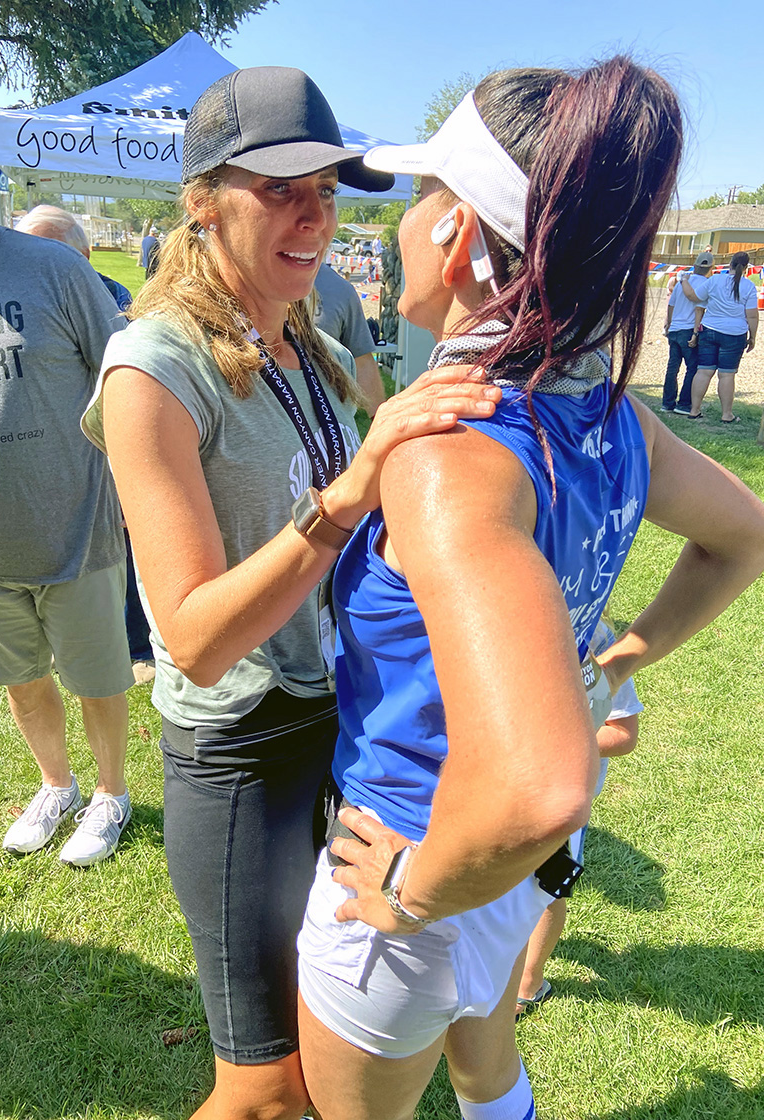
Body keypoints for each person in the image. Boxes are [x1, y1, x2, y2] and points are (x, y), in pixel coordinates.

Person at [294, 59, 764, 1120]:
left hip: (415, 861)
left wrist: (405, 894)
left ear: (456, 233)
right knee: (484, 1062)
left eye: (417, 202)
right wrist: (615, 661)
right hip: (504, 875)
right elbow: (742, 536)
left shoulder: (447, 452)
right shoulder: (607, 417)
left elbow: (540, 780)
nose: (398, 228)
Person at [81, 66, 502, 1120]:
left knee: (328, 1062)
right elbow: (192, 637)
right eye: (281, 189)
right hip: (239, 753)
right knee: (263, 1088)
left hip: (335, 728)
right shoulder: (151, 369)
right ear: (200, 199)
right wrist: (350, 491)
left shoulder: (302, 335)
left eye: (327, 187)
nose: (316, 214)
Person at [0, 116, 133, 868]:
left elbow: (123, 377)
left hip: (76, 524)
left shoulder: (53, 269)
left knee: (98, 678)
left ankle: (110, 794)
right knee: (22, 678)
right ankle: (55, 784)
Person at [15, 205, 154, 682]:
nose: (44, 266)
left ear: (84, 254)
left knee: (123, 550)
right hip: (38, 467)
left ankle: (137, 647)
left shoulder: (115, 304)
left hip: (99, 460)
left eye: (56, 252)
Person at [515, 618, 642, 1017]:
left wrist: (546, 749)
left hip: (558, 798)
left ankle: (528, 984)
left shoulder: (596, 637)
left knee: (547, 886)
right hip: (495, 790)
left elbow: (623, 733)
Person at [681, 251, 758, 422]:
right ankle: (726, 414)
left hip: (709, 329)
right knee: (726, 374)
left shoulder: (715, 280)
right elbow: (752, 315)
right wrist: (753, 337)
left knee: (704, 370)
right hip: (735, 333)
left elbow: (693, 296)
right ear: (746, 267)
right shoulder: (748, 286)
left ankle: (694, 410)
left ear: (729, 263)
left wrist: (684, 280)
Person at [16, 205, 134, 312]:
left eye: (50, 257)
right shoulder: (11, 296)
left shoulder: (114, 295)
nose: (35, 268)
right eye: (24, 257)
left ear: (84, 256)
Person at [313, 262, 385, 414]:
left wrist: (379, 420)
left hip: (327, 420)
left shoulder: (340, 289)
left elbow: (362, 361)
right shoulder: (252, 284)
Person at [661, 252, 712, 413]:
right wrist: (696, 333)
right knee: (692, 367)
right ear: (711, 268)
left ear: (694, 266)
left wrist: (669, 324)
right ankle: (684, 403)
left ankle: (667, 403)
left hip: (675, 328)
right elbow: (700, 309)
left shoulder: (680, 283)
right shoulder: (706, 285)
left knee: (672, 367)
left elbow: (671, 305)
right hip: (689, 328)